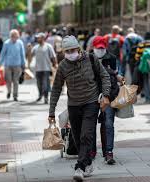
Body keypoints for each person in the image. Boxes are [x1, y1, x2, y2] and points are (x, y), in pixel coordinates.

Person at [48, 35, 111, 181]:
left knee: (86, 135)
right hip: (74, 106)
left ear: (78, 48)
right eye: (67, 51)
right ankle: (87, 163)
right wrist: (51, 112)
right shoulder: (63, 65)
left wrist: (106, 95)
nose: (70, 53)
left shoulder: (91, 59)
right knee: (77, 138)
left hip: (91, 102)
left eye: (72, 50)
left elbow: (104, 76)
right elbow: (56, 88)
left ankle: (80, 168)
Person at [91, 36, 122, 165]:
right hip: (91, 96)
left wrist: (109, 95)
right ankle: (91, 151)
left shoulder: (112, 58)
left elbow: (114, 78)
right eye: (98, 48)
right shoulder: (88, 59)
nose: (100, 50)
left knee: (108, 123)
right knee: (90, 125)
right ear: (94, 47)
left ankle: (108, 152)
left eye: (102, 48)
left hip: (108, 95)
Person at [0, 29, 25, 101]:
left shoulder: (20, 43)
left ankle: (15, 95)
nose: (15, 38)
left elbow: (22, 54)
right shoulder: (6, 43)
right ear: (11, 36)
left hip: (17, 65)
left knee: (16, 81)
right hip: (8, 65)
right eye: (13, 36)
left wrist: (23, 64)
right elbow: (2, 54)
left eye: (16, 36)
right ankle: (9, 91)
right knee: (8, 80)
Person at [135, 32, 150, 104]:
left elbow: (137, 57)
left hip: (145, 66)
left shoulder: (141, 45)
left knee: (146, 81)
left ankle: (148, 99)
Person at [32, 33, 57, 104]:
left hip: (46, 68)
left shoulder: (48, 46)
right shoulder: (35, 47)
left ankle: (46, 97)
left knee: (45, 84)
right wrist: (29, 48)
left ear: (43, 38)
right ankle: (40, 95)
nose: (37, 39)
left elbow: (53, 56)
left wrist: (55, 64)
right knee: (39, 84)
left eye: (38, 38)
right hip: (37, 69)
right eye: (37, 38)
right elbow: (30, 54)